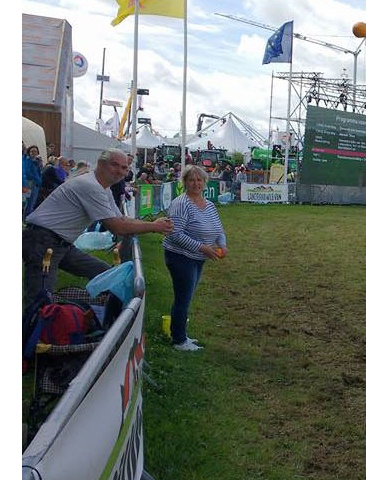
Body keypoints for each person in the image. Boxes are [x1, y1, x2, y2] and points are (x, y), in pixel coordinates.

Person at [24, 149, 173, 323]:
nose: (120, 171)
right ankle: (33, 342)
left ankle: (100, 320)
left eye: (124, 168)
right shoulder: (91, 186)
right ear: (101, 164)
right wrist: (154, 227)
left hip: (61, 243)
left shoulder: (103, 188)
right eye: (115, 165)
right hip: (43, 242)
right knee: (39, 301)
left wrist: (150, 225)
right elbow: (117, 226)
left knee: (106, 273)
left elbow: (121, 219)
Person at [162, 166, 228, 351]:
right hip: (180, 257)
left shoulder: (209, 204)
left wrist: (222, 244)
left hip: (198, 257)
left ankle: (181, 334)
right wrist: (201, 247)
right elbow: (174, 234)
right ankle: (179, 340)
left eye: (199, 180)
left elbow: (218, 228)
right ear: (185, 182)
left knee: (187, 296)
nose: (196, 183)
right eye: (191, 180)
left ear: (205, 183)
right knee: (183, 298)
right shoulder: (181, 204)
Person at [23, 145, 43, 218]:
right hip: (29, 183)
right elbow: (28, 172)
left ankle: (27, 218)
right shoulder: (28, 160)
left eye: (36, 151)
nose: (34, 153)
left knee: (32, 202)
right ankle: (24, 219)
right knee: (27, 203)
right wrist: (36, 179)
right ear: (29, 152)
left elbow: (39, 172)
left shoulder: (36, 161)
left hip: (36, 184)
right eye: (32, 151)